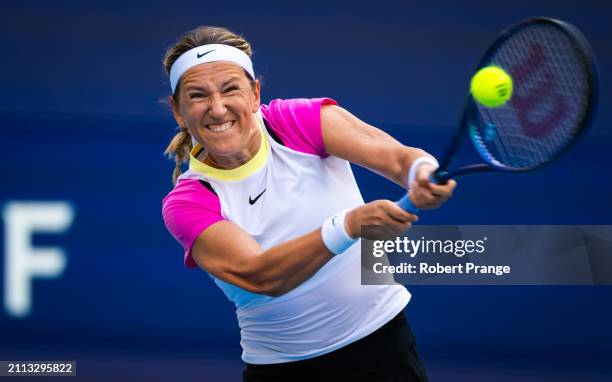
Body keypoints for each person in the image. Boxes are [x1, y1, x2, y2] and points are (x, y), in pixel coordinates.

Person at [161, 26, 456, 382]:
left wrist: (421, 171)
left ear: (255, 94)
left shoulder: (295, 122)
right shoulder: (189, 201)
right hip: (283, 371)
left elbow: (397, 158)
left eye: (230, 89)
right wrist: (348, 226)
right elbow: (259, 275)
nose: (218, 108)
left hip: (383, 345)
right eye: (197, 96)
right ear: (178, 111)